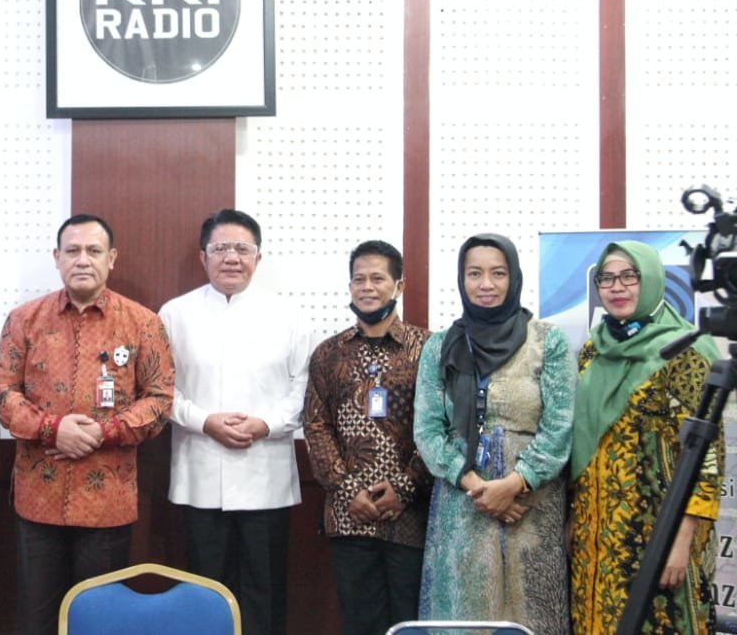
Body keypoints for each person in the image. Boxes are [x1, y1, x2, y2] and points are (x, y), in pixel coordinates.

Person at [0, 213, 175, 635]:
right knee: (37, 620)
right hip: (38, 500)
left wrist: (102, 433)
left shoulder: (143, 322)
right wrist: (53, 429)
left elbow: (161, 401)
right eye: (72, 251)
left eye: (94, 250)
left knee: (99, 621)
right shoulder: (24, 319)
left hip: (107, 502)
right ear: (57, 257)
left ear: (112, 258)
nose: (83, 259)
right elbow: (1, 393)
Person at [158, 209, 311, 635]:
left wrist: (266, 424)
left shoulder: (289, 314)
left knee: (264, 589)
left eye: (242, 248)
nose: (231, 257)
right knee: (206, 592)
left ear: (258, 257)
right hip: (200, 473)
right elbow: (161, 390)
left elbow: (304, 387)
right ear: (202, 256)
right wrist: (205, 420)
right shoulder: (174, 314)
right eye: (220, 248)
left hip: (266, 476)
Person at [412, 233, 574, 631]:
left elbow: (559, 427)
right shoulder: (439, 347)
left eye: (498, 273)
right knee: (464, 616)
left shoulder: (548, 341)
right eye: (475, 274)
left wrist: (515, 483)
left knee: (531, 616)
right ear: (461, 279)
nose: (486, 284)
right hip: (461, 506)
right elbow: (428, 430)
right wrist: (478, 489)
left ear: (514, 277)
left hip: (531, 507)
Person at [570, 241, 723, 632]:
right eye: (607, 278)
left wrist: (681, 540)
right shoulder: (592, 352)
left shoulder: (685, 350)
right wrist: (573, 519)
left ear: (652, 279)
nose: (617, 287)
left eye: (629, 276)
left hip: (658, 531)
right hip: (594, 534)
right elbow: (582, 441)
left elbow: (707, 458)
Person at [304, 240, 431, 635]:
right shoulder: (329, 353)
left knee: (409, 621)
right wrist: (347, 490)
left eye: (378, 278)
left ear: (399, 286)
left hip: (409, 513)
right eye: (359, 279)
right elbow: (316, 425)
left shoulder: (427, 349)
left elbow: (438, 425)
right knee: (360, 621)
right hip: (349, 515)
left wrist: (405, 488)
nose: (367, 287)